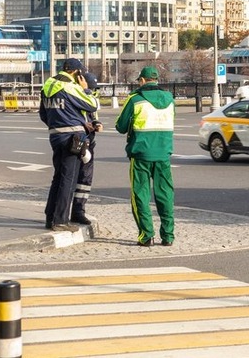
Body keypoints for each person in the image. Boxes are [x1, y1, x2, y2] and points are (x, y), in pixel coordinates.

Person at [115, 66, 175, 247]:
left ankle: (146, 235)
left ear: (142, 80)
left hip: (140, 154)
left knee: (140, 195)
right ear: (156, 80)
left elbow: (121, 126)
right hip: (164, 153)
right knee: (165, 195)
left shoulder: (135, 99)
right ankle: (168, 236)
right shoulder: (170, 99)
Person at [38, 58, 98, 232]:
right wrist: (85, 89)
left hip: (55, 136)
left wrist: (56, 124)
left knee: (58, 177)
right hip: (72, 137)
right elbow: (92, 105)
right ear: (76, 72)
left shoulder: (48, 85)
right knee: (68, 179)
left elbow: (43, 114)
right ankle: (61, 220)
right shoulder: (70, 87)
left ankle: (50, 217)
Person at [72, 71, 104, 225]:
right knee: (70, 178)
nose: (93, 92)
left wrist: (97, 124)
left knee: (85, 180)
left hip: (89, 142)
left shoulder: (91, 99)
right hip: (76, 141)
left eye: (94, 90)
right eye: (91, 89)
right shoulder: (76, 97)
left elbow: (94, 116)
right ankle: (66, 211)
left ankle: (79, 210)